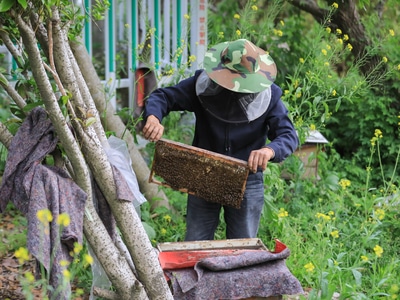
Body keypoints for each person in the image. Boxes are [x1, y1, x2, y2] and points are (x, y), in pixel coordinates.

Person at [142, 39, 298, 241]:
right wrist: (154, 117)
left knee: (242, 247)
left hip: (247, 177)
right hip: (204, 173)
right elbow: (163, 97)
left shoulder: (270, 96)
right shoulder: (202, 85)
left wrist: (269, 151)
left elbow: (288, 135)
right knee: (196, 241)